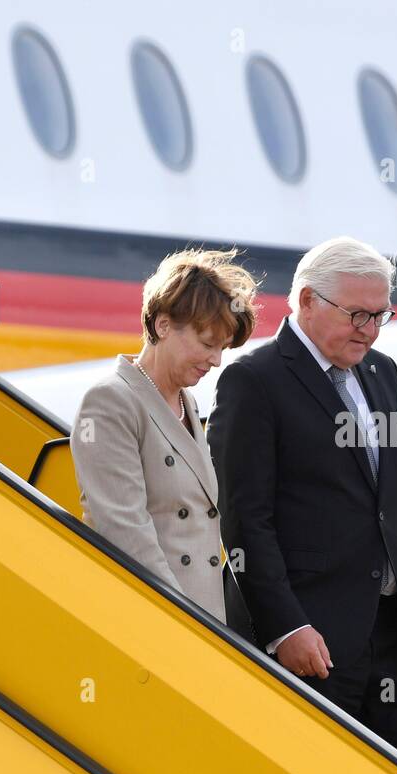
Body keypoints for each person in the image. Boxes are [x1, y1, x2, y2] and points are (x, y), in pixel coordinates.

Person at [208, 236, 397, 774]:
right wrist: (285, 628)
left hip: (392, 631)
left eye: (380, 316)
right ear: (305, 301)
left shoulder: (383, 373)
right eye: (357, 315)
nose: (369, 331)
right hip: (312, 638)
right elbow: (246, 521)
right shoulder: (254, 382)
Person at [71, 248, 258, 622]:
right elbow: (125, 530)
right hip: (155, 621)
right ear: (163, 325)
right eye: (208, 344)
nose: (217, 360)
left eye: (222, 348)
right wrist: (183, 622)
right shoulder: (110, 401)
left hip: (204, 620)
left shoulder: (187, 402)